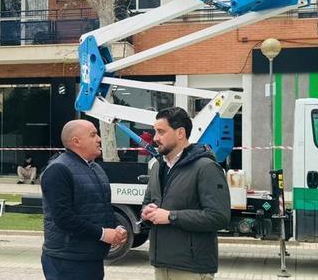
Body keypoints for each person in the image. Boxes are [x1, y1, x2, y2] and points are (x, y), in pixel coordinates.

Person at [140, 107, 230, 280]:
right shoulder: (157, 167)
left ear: (180, 133)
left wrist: (171, 216)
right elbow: (147, 202)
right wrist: (146, 212)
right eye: (155, 131)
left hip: (191, 269)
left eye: (161, 132)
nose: (155, 138)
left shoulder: (206, 167)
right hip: (161, 265)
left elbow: (219, 217)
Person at [40, 119, 127, 280]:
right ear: (76, 142)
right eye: (93, 135)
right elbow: (63, 217)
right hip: (67, 260)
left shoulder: (95, 168)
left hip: (91, 256)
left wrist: (117, 228)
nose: (99, 139)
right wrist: (103, 234)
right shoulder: (58, 170)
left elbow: (101, 207)